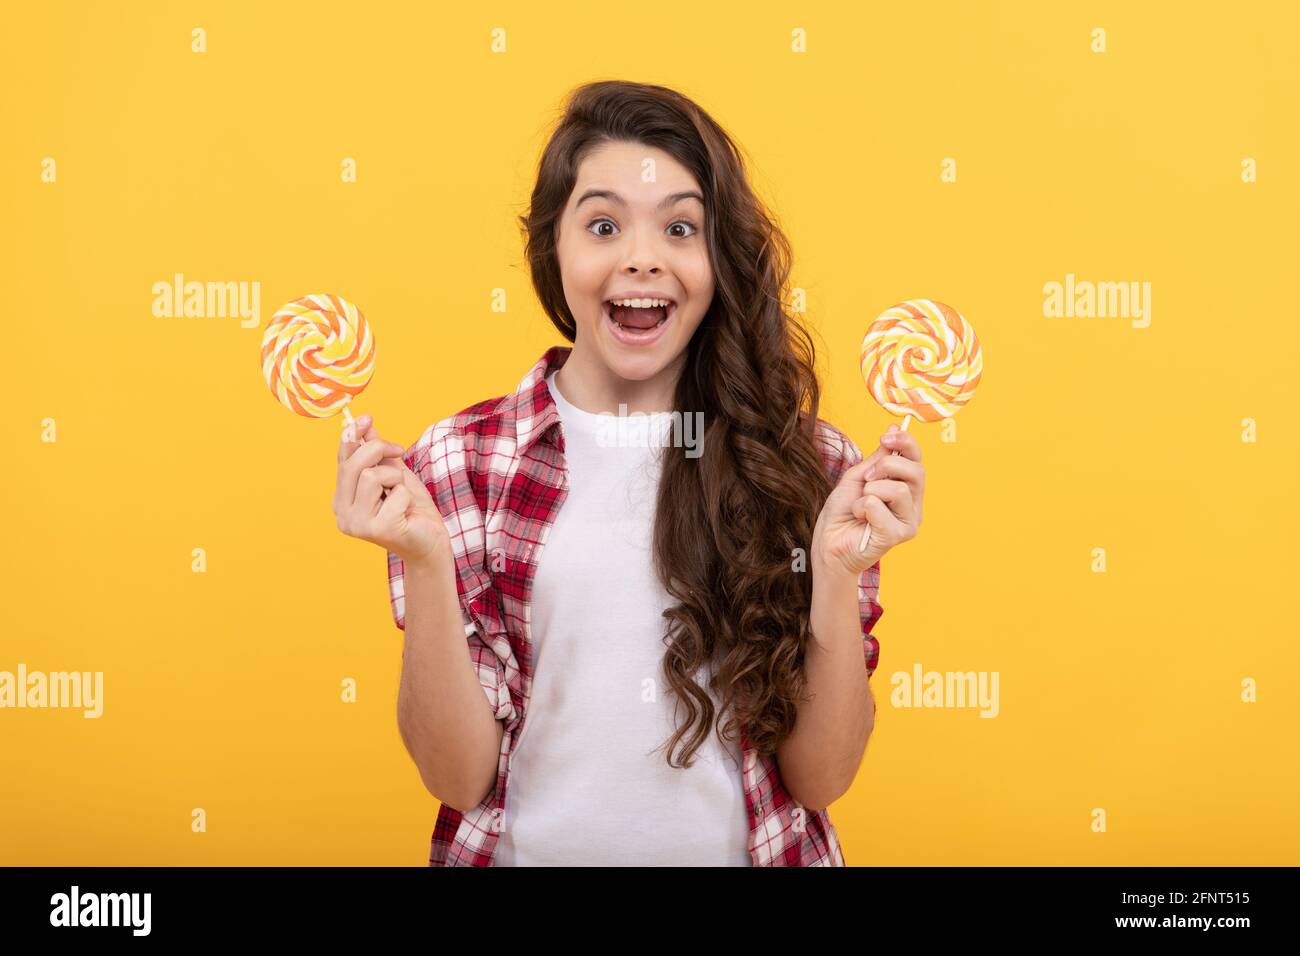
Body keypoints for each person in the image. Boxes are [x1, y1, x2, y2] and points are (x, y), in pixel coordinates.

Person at [332, 80, 925, 866]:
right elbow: (456, 776)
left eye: (681, 228)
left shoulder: (812, 467)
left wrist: (835, 573)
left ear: (717, 261)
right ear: (554, 248)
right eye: (604, 225)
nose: (642, 258)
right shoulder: (459, 458)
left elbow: (820, 779)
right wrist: (424, 560)